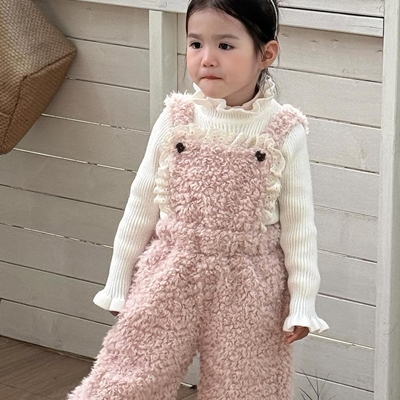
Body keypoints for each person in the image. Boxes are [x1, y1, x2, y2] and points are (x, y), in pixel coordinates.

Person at [67, 0, 328, 399]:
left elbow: (299, 227)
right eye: (195, 44)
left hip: (249, 287)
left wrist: (303, 302)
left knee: (246, 387)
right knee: (130, 376)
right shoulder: (176, 118)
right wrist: (119, 280)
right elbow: (140, 206)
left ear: (266, 54)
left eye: (225, 45)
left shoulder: (283, 130)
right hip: (169, 271)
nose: (207, 58)